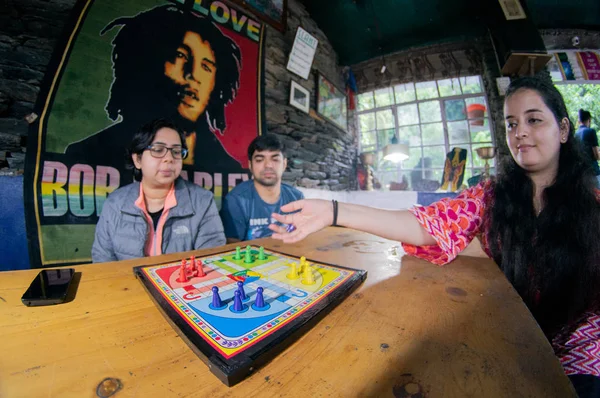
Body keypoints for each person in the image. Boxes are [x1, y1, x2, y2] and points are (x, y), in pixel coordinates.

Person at [269, 77, 600, 396]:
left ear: (565, 129)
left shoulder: (594, 206)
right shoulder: (492, 196)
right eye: (512, 124)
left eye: (534, 119)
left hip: (581, 351)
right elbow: (426, 224)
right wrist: (334, 211)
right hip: (515, 338)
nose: (521, 132)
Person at [66, 4, 243, 176]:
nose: (193, 75)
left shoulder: (229, 167)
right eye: (181, 56)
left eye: (206, 67)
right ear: (148, 61)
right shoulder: (87, 154)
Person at [92, 119, 225, 262]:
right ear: (138, 159)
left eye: (176, 151)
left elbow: (211, 261)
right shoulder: (114, 204)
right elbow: (102, 260)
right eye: (158, 150)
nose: (169, 158)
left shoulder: (202, 202)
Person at [220, 135, 304, 242]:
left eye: (275, 159)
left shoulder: (296, 197)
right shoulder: (236, 200)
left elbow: (301, 238)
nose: (268, 165)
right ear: (250, 165)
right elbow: (232, 247)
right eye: (259, 160)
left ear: (284, 164)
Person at [575, 109, 600, 185]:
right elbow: (596, 156)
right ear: (589, 119)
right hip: (593, 171)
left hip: (582, 173)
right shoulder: (591, 131)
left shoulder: (576, 134)